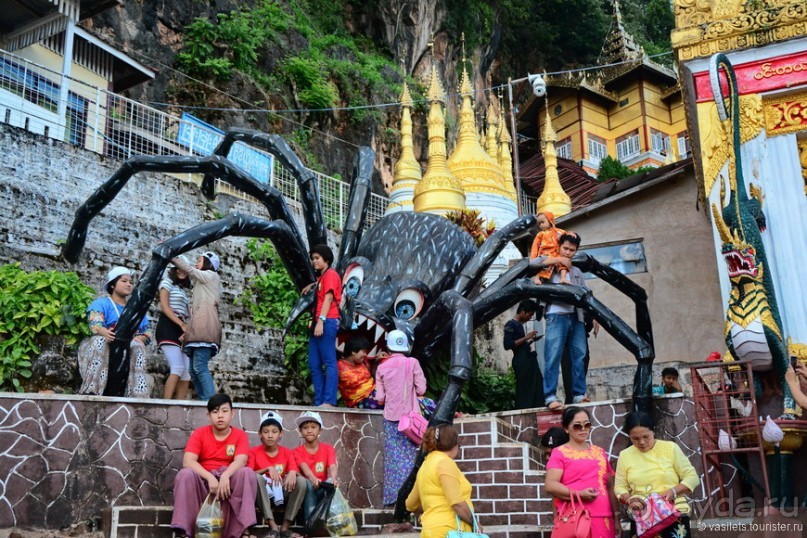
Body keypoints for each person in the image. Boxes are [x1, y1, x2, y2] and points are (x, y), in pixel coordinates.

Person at [171, 393, 258, 538]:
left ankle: (243, 531)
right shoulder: (199, 434)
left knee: (247, 473)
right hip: (204, 484)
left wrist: (225, 475)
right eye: (215, 412)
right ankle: (185, 532)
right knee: (185, 474)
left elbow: (241, 460)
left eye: (224, 411)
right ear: (208, 415)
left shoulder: (240, 435)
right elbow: (188, 461)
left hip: (228, 487)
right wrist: (210, 478)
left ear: (232, 413)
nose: (220, 416)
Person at [535, 233, 597, 410]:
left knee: (579, 355)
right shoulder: (549, 266)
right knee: (552, 357)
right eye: (565, 248)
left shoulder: (576, 271)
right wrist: (559, 258)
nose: (568, 252)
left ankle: (579, 395)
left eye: (572, 250)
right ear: (559, 246)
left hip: (576, 317)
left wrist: (594, 316)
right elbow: (534, 264)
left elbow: (586, 293)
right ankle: (549, 396)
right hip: (555, 316)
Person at [614, 412, 700, 538]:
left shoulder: (670, 448)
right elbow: (619, 487)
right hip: (642, 517)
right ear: (629, 436)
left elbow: (692, 477)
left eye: (646, 437)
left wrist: (673, 491)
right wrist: (630, 500)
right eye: (635, 439)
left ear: (653, 431)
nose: (642, 442)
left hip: (673, 513)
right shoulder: (625, 455)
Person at [375, 330, 435, 506]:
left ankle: (393, 499)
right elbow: (421, 390)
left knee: (393, 459)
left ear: (389, 346)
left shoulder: (381, 368)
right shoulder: (412, 363)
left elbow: (379, 398)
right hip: (410, 420)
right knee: (409, 458)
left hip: (390, 419)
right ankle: (411, 497)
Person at [77, 266, 152, 397]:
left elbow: (147, 333)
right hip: (105, 343)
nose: (129, 284)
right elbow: (95, 325)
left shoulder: (135, 309)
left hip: (126, 346)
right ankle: (92, 389)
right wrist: (105, 332)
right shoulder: (101, 303)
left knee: (137, 346)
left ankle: (137, 394)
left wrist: (139, 339)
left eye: (130, 282)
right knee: (100, 341)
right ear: (112, 285)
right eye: (124, 281)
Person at [545, 407, 618, 538]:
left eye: (587, 425)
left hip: (604, 518)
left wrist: (616, 516)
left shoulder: (599, 452)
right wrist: (579, 494)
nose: (583, 429)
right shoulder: (559, 453)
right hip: (575, 518)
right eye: (577, 426)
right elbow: (551, 485)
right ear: (566, 428)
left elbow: (609, 486)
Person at [405, 425, 480, 538]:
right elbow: (457, 504)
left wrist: (432, 507)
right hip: (448, 530)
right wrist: (475, 524)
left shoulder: (425, 466)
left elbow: (410, 504)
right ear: (452, 444)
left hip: (430, 530)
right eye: (459, 445)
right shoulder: (445, 463)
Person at [248, 411, 306, 538]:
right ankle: (273, 526)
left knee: (301, 481)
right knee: (256, 477)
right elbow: (248, 474)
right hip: (262, 494)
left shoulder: (287, 452)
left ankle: (285, 527)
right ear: (260, 434)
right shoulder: (253, 452)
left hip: (282, 492)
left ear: (281, 434)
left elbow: (294, 470)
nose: (270, 435)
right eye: (266, 431)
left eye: (274, 432)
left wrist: (292, 472)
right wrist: (267, 469)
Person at [173, 252, 222, 401]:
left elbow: (190, 271)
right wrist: (188, 332)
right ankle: (204, 401)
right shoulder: (203, 284)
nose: (196, 264)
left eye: (199, 260)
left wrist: (174, 258)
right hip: (199, 325)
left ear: (208, 263)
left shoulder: (211, 275)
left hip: (205, 325)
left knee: (199, 366)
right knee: (193, 370)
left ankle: (211, 402)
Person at [302, 244, 342, 407]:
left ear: (326, 258)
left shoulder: (331, 274)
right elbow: (320, 288)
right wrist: (312, 285)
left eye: (317, 258)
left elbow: (328, 298)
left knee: (329, 362)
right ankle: (319, 401)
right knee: (314, 364)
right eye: (312, 259)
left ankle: (329, 401)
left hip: (327, 321)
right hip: (318, 323)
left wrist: (321, 321)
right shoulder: (322, 278)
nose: (314, 261)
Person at [155, 258, 192, 400]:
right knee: (177, 367)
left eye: (184, 268)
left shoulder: (182, 289)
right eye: (178, 268)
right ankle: (166, 405)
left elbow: (188, 314)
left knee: (187, 372)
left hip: (181, 329)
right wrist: (182, 324)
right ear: (173, 269)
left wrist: (187, 327)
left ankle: (179, 406)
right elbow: (164, 307)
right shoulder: (166, 283)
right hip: (168, 326)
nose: (182, 271)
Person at [291, 410, 338, 519]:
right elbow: (304, 466)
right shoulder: (296, 452)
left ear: (320, 430)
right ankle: (310, 522)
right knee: (307, 483)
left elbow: (332, 465)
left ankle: (329, 520)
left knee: (331, 483)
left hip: (322, 488)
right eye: (305, 428)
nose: (309, 430)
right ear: (300, 432)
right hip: (307, 491)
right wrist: (313, 479)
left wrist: (334, 479)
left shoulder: (328, 448)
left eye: (313, 427)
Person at [503, 300, 544, 409]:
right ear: (522, 311)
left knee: (537, 386)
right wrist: (526, 337)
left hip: (528, 359)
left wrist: (530, 341)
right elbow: (507, 344)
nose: (530, 318)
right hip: (521, 361)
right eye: (529, 314)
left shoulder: (519, 325)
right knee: (525, 389)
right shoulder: (510, 324)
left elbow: (520, 344)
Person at [338, 335, 383, 409]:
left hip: (375, 393)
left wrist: (377, 360)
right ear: (353, 351)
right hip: (360, 402)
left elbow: (375, 374)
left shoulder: (364, 362)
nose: (365, 354)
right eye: (364, 351)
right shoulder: (338, 366)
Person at [529, 211, 569, 284]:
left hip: (557, 253)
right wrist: (533, 257)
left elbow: (567, 241)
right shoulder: (540, 234)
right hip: (546, 254)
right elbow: (535, 246)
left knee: (563, 265)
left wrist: (561, 238)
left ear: (550, 220)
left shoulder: (560, 232)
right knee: (543, 266)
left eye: (543, 222)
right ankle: (537, 278)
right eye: (539, 223)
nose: (541, 225)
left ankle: (563, 278)